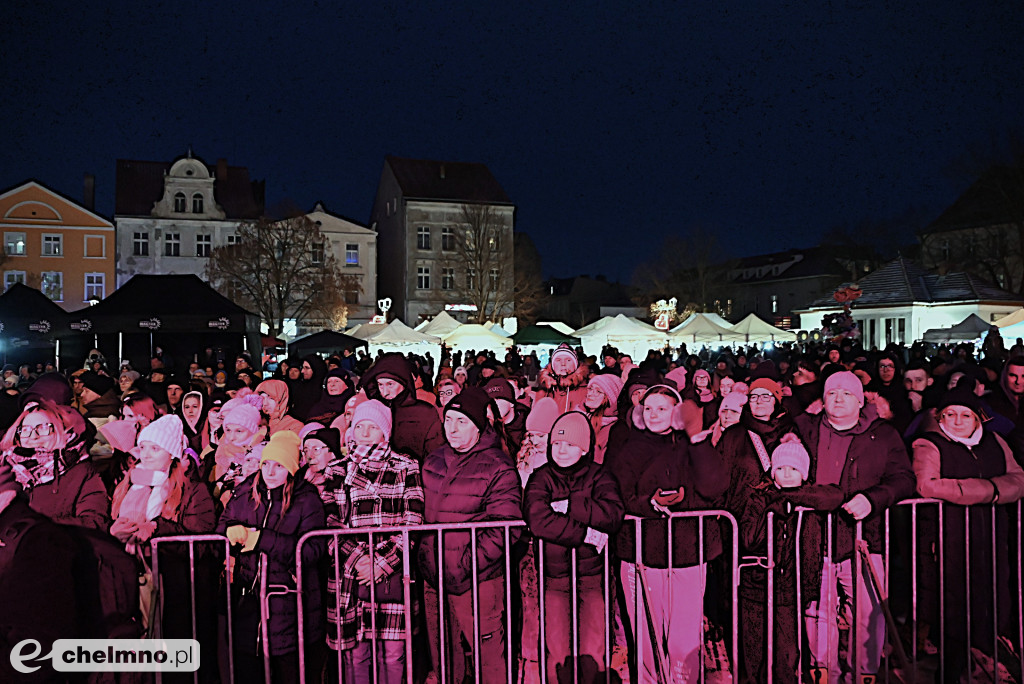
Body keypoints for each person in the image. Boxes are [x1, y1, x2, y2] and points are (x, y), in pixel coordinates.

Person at [794, 371, 916, 681]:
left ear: (860, 402)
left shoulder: (883, 435)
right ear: (822, 399)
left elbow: (903, 479)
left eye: (846, 394)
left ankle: (864, 675)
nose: (837, 398)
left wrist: (873, 500)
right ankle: (825, 674)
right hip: (815, 538)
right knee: (817, 614)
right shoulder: (804, 429)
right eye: (832, 392)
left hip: (863, 539)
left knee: (868, 614)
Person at [605, 384, 730, 682]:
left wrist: (698, 439)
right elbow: (615, 494)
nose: (653, 414)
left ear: (675, 412)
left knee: (683, 639)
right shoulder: (628, 448)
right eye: (648, 408)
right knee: (646, 639)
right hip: (639, 553)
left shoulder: (692, 445)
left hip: (688, 552)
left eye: (662, 408)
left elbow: (715, 488)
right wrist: (648, 504)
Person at [911, 387, 1024, 680]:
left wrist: (981, 490)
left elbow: (1018, 480)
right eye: (950, 414)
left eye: (966, 415)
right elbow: (927, 485)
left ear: (978, 419)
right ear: (940, 417)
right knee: (953, 614)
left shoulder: (995, 441)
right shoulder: (928, 444)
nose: (958, 421)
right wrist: (989, 490)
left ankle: (987, 661)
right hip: (949, 539)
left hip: (992, 537)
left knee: (991, 601)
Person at [418, 386, 523, 684]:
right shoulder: (433, 460)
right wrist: (425, 555)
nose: (452, 428)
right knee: (444, 656)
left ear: (479, 426)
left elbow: (507, 525)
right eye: (449, 419)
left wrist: (466, 562)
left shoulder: (499, 466)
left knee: (487, 657)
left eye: (462, 421)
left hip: (477, 580)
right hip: (433, 577)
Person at [109, 414, 218, 677]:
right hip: (136, 581)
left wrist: (157, 529)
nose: (145, 455)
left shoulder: (193, 490)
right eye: (143, 447)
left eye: (155, 448)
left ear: (172, 455)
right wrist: (114, 534)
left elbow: (204, 543)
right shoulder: (129, 484)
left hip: (179, 591)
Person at [326, 399, 424, 683]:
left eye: (373, 427)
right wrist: (358, 560)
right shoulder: (337, 468)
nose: (365, 432)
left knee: (392, 653)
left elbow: (413, 518)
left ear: (386, 432)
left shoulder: (406, 466)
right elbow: (329, 520)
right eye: (360, 426)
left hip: (391, 571)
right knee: (355, 653)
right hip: (349, 573)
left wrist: (382, 562)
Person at [524, 411, 625, 683]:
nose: (561, 451)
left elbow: (613, 515)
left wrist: (571, 505)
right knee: (557, 651)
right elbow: (538, 519)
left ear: (583, 448)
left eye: (569, 445)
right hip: (554, 577)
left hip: (592, 577)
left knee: (593, 650)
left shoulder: (600, 476)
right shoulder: (540, 477)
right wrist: (586, 534)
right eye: (556, 444)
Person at [218, 430, 327, 683]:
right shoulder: (246, 491)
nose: (269, 472)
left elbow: (313, 549)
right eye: (265, 464)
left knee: (288, 672)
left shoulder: (307, 500)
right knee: (249, 670)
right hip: (248, 601)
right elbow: (220, 530)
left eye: (278, 466)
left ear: (290, 468)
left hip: (289, 602)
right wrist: (228, 533)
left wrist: (261, 539)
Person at [739, 440, 843, 682]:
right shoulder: (758, 497)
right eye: (781, 468)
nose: (786, 473)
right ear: (772, 470)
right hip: (756, 585)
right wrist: (773, 507)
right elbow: (748, 538)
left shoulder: (809, 498)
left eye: (794, 469)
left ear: (803, 474)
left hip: (790, 590)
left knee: (786, 654)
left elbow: (835, 496)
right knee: (754, 653)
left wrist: (790, 497)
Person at [2, 399, 110, 530]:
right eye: (25, 429)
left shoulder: (82, 471)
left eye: (43, 428)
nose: (33, 436)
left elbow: (94, 522)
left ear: (62, 431)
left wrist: (32, 528)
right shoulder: (6, 468)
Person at [359, 352, 445, 463]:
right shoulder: (373, 411)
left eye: (390, 384)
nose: (385, 391)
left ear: (404, 382)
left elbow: (436, 454)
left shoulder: (425, 412)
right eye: (380, 384)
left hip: (416, 475)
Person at [534, 343, 589, 413]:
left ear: (575, 364)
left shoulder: (586, 390)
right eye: (558, 360)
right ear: (553, 365)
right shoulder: (544, 391)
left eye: (568, 360)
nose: (563, 364)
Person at [582, 374, 622, 464]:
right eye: (590, 388)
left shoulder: (612, 429)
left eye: (598, 391)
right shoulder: (579, 416)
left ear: (610, 398)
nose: (591, 393)